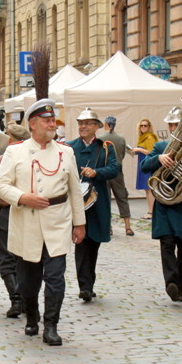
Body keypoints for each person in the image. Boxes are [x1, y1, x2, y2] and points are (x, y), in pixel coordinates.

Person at [0, 99, 86, 346]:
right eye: (46, 120)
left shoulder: (66, 152)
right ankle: (32, 316)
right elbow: (0, 186)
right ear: (33, 124)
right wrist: (22, 197)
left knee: (56, 276)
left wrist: (79, 223)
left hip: (58, 221)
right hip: (27, 221)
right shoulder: (16, 152)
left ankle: (51, 325)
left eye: (53, 120)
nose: (51, 124)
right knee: (28, 281)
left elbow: (75, 190)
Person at [140, 106, 182, 303]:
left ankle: (181, 288)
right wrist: (158, 159)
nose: (175, 128)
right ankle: (171, 284)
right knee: (167, 244)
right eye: (172, 125)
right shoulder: (160, 148)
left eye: (178, 124)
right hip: (165, 203)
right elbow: (144, 167)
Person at [67, 108, 118, 303]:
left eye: (88, 123)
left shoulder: (105, 147)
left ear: (97, 126)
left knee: (94, 243)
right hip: (77, 203)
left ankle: (89, 282)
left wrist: (96, 173)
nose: (83, 126)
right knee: (81, 242)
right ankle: (84, 286)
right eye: (81, 123)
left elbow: (114, 168)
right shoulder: (69, 147)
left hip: (98, 202)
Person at [0, 123, 31, 319]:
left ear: (10, 141)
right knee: (24, 258)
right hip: (28, 213)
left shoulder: (1, 161)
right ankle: (27, 300)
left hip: (6, 212)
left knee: (6, 259)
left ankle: (16, 299)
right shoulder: (33, 160)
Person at [98, 115, 134, 236]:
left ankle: (108, 227)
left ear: (106, 124)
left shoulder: (100, 138)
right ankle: (128, 227)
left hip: (104, 170)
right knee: (122, 197)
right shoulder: (121, 138)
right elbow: (123, 154)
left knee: (105, 199)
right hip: (117, 170)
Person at [133, 118, 158, 220]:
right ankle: (150, 210)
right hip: (142, 162)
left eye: (145, 125)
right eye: (141, 125)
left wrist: (139, 149)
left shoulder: (150, 137)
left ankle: (151, 212)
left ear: (149, 127)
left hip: (148, 163)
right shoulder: (142, 137)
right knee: (146, 189)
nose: (143, 127)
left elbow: (151, 152)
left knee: (149, 188)